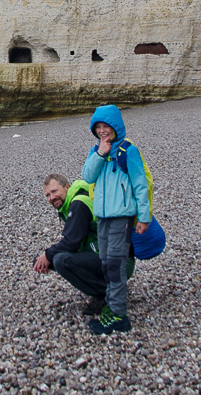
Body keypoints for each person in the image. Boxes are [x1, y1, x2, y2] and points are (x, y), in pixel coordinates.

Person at [81, 104, 150, 334]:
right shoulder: (96, 151)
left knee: (115, 263)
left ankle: (119, 315)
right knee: (105, 262)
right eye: (98, 127)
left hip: (121, 216)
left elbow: (140, 184)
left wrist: (143, 217)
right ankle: (112, 305)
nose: (102, 131)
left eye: (106, 126)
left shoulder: (128, 151)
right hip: (102, 216)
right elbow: (87, 176)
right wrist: (100, 153)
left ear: (115, 126)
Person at [33, 173, 107, 316]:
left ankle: (107, 293)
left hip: (116, 259)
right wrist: (46, 258)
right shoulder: (71, 202)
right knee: (45, 260)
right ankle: (107, 284)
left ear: (67, 186)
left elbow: (71, 243)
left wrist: (48, 255)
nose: (52, 197)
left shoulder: (79, 203)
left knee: (60, 261)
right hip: (103, 254)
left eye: (55, 191)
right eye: (48, 195)